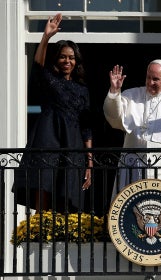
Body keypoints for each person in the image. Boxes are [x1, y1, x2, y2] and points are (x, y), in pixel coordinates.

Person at [13, 13, 93, 213]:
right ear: (56, 59)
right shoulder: (49, 80)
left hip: (72, 143)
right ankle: (41, 231)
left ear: (77, 62)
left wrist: (90, 162)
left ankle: (63, 236)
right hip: (48, 138)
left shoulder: (82, 89)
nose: (68, 61)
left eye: (72, 58)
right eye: (63, 57)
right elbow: (38, 66)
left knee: (67, 191)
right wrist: (46, 37)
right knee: (45, 184)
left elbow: (86, 127)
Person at [103, 59, 161, 199]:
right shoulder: (130, 96)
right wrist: (114, 91)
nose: (150, 83)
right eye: (148, 77)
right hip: (132, 166)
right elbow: (113, 118)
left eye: (155, 79)